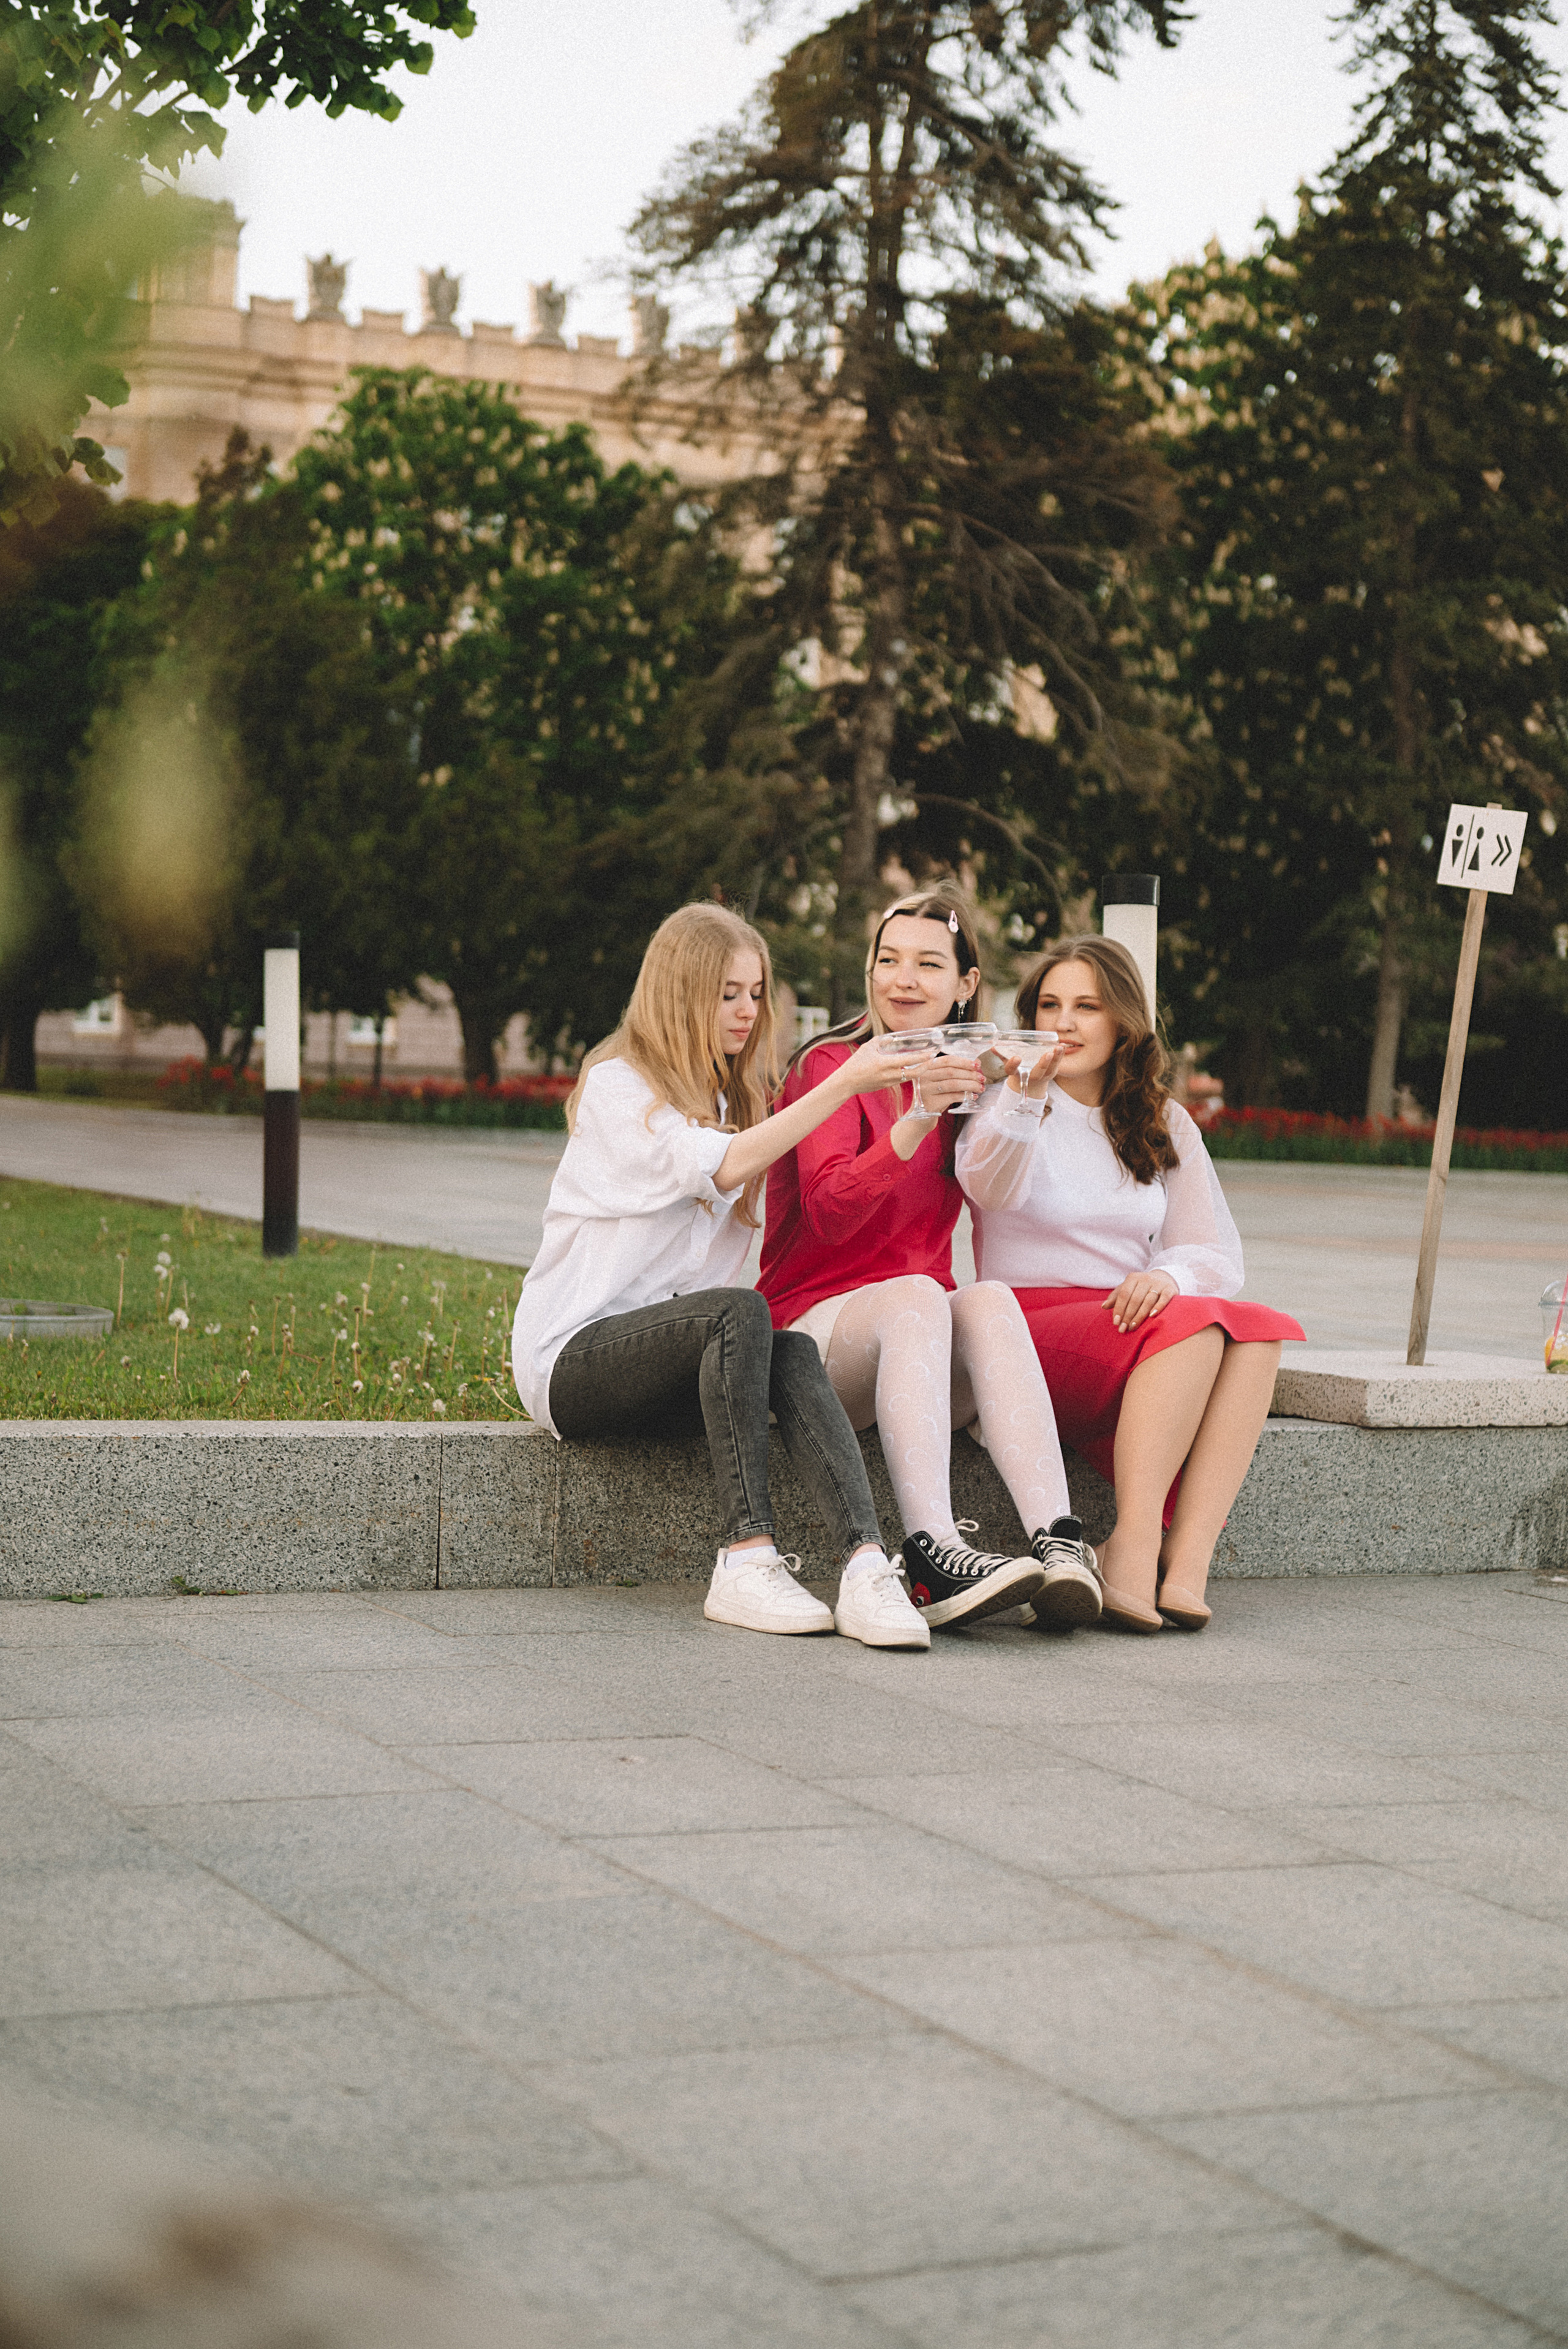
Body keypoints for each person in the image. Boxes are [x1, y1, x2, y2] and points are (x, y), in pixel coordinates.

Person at [512, 903, 935, 1649]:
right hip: (573, 1364)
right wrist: (843, 1083)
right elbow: (723, 1167)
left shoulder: (726, 1099)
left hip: (672, 1364)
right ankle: (744, 1559)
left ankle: (867, 1567)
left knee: (789, 1347)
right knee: (739, 1312)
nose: (747, 1011)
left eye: (755, 992)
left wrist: (913, 1117)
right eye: (726, 993)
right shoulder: (621, 1088)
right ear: (679, 993)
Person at [756, 883, 1102, 1633]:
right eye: (887, 960)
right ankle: (928, 1552)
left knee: (986, 1298)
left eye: (927, 964)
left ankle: (1061, 1540)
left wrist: (1018, 1097)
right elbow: (828, 1213)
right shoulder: (831, 1066)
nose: (902, 980)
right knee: (918, 1292)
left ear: (965, 986)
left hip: (915, 1348)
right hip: (811, 1346)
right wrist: (914, 1117)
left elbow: (1002, 1192)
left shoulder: (966, 1075)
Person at [956, 933, 1303, 1632]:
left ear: (1122, 1023)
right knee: (1197, 1324)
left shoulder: (1159, 1118)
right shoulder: (1003, 1103)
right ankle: (1133, 1546)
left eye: (1087, 1005)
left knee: (1259, 1331)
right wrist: (1024, 1091)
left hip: (1124, 1327)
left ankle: (1188, 1558)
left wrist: (1166, 1275)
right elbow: (986, 1190)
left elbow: (1211, 1248)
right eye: (1050, 1004)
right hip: (1022, 1331)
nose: (1066, 1022)